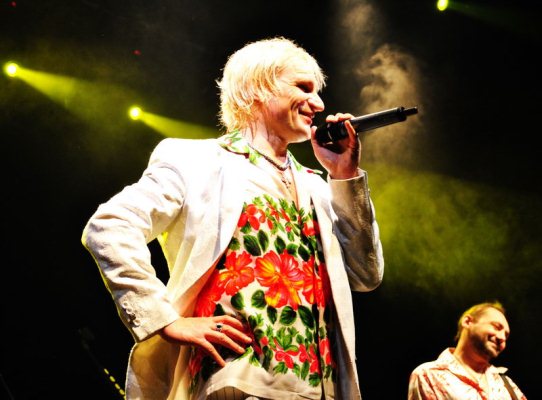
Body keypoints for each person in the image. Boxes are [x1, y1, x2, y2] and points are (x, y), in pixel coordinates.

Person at [82, 36, 384, 400]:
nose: (318, 104)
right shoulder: (197, 162)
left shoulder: (317, 186)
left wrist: (345, 177)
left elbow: (365, 275)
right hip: (238, 381)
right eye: (303, 88)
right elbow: (109, 227)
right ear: (258, 88)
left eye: (317, 92)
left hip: (323, 389)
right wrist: (163, 319)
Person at [407, 301, 527, 400]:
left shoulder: (506, 383)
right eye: (496, 327)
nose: (502, 338)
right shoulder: (429, 374)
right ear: (468, 322)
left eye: (506, 336)